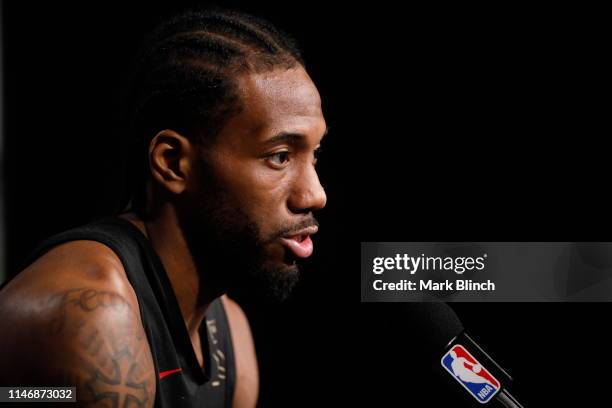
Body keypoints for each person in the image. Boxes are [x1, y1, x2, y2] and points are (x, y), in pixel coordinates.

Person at [0, 8, 327, 408]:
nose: (315, 195)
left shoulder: (229, 330)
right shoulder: (94, 317)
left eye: (314, 155)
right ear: (173, 163)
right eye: (279, 156)